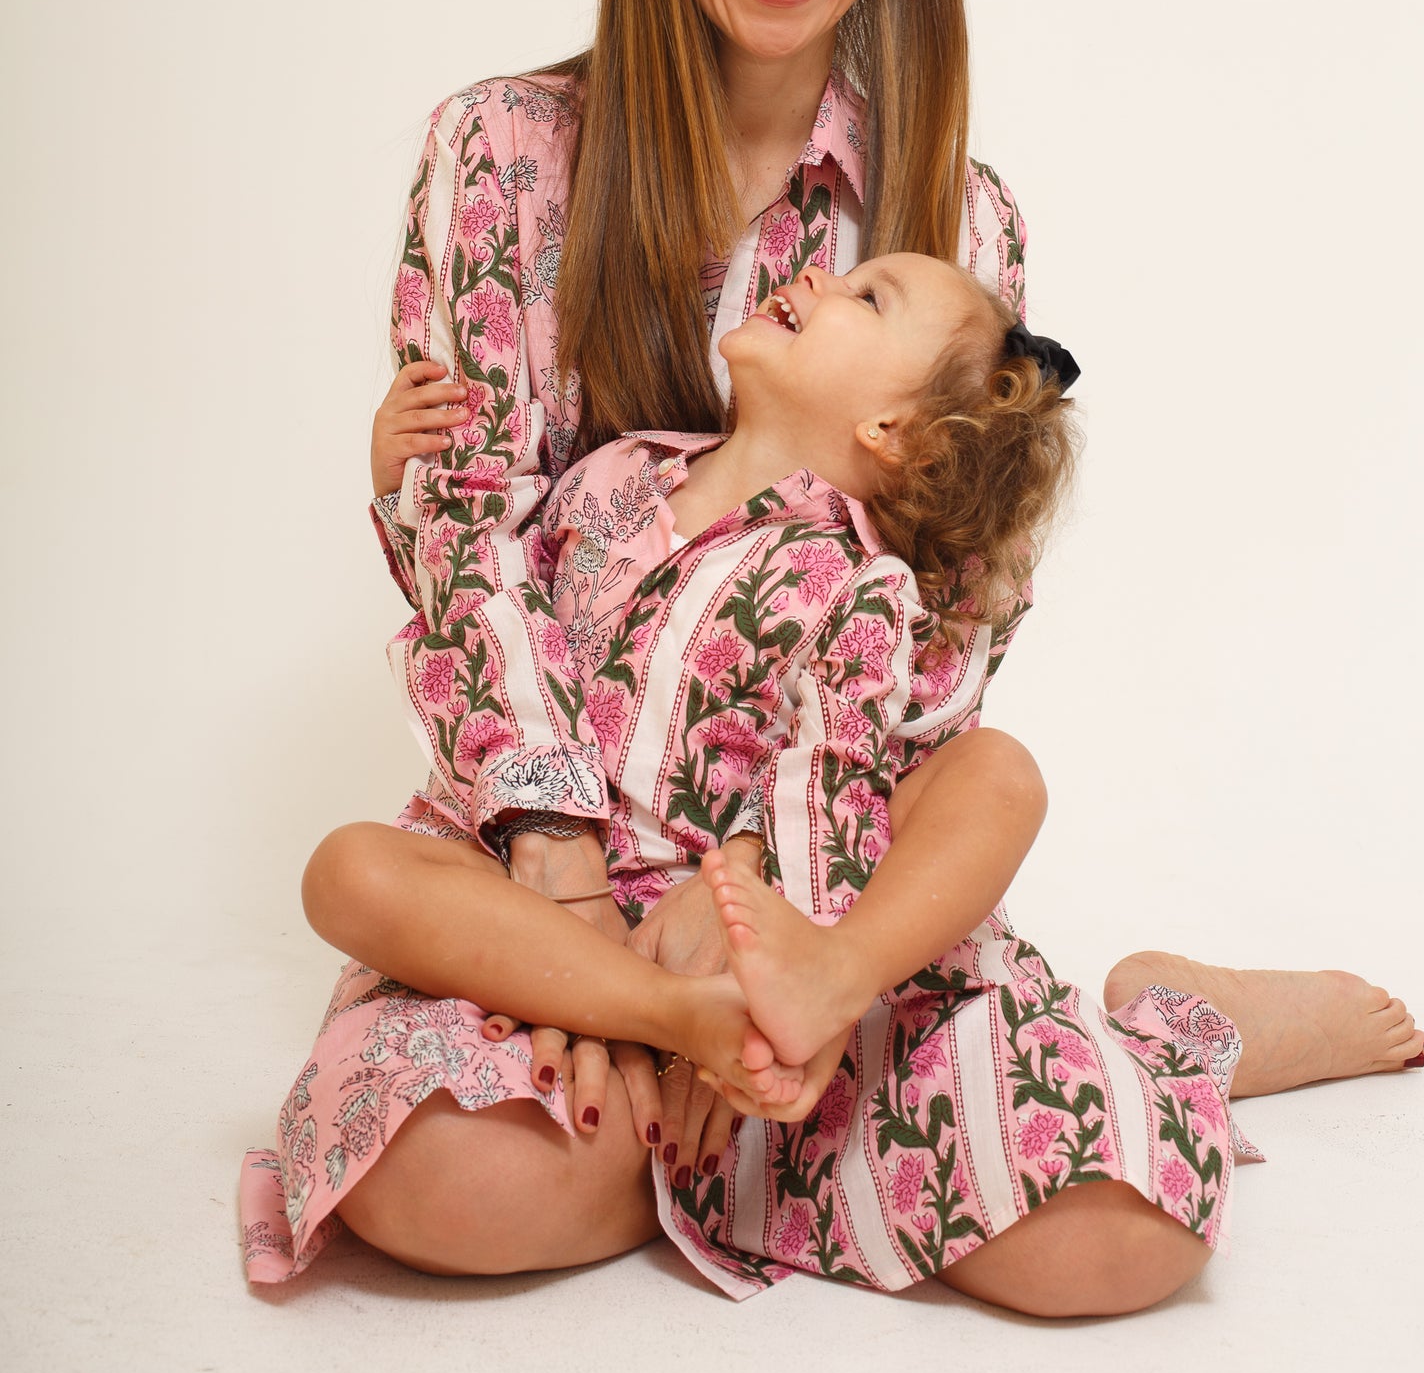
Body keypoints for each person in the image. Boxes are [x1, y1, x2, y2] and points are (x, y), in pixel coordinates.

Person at [239, 0, 1424, 1317]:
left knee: (1116, 1242)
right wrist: (586, 906)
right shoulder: (502, 150)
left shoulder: (962, 223)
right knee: (455, 1182)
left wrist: (792, 953)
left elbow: (956, 632)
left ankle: (1168, 1018)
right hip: (556, 865)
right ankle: (683, 1093)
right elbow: (467, 534)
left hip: (824, 889)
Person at [291, 250, 1257, 1304]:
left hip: (733, 966)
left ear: (891, 431)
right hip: (535, 935)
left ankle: (1158, 1023)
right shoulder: (610, 475)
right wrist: (405, 488)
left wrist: (765, 950)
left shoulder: (858, 580)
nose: (813, 275)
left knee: (1121, 1241)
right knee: (353, 879)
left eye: (866, 296)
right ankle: (667, 1063)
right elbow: (484, 622)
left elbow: (829, 780)